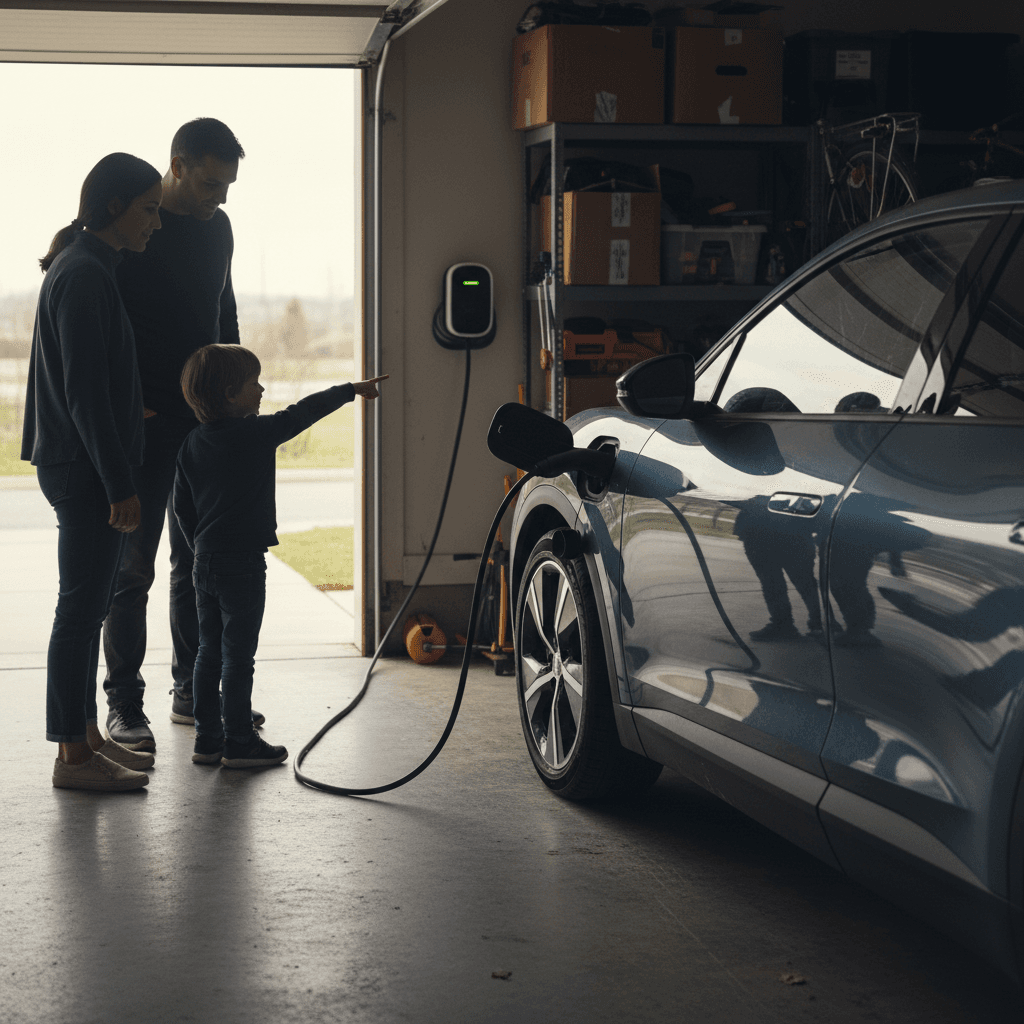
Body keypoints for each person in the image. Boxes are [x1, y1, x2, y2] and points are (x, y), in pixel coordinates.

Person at [102, 118, 246, 754]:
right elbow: (110, 326)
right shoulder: (138, 228)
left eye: (228, 186)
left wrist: (237, 385)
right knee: (132, 570)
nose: (221, 197)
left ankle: (192, 689)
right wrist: (126, 403)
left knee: (199, 564)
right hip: (149, 424)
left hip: (204, 426)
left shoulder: (220, 229)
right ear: (178, 164)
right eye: (212, 182)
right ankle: (124, 708)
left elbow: (223, 310)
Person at [173, 344, 388, 767]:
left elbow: (182, 509)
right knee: (238, 656)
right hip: (243, 565)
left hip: (205, 563)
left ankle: (207, 740)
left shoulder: (191, 444)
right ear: (231, 394)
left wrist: (200, 547)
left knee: (207, 652)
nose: (262, 389)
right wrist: (352, 389)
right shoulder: (256, 433)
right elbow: (303, 412)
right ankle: (239, 742)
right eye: (254, 383)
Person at [23, 152, 163, 791]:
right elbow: (82, 393)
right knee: (80, 613)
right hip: (85, 472)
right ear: (115, 208)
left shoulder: (89, 267)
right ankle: (72, 758)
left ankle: (87, 740)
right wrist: (119, 485)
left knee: (87, 606)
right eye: (148, 209)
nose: (155, 223)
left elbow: (95, 379)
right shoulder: (83, 274)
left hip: (84, 464)